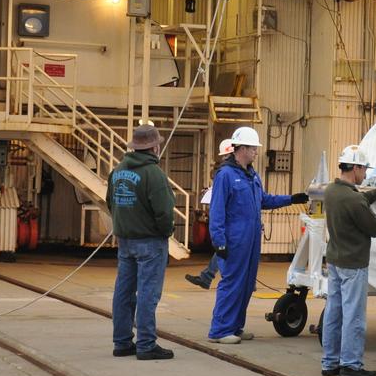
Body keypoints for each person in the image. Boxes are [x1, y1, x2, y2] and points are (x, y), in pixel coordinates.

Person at [207, 126, 308, 343]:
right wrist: (219, 242)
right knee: (232, 283)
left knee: (246, 284)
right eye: (253, 148)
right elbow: (216, 211)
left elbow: (264, 200)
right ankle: (219, 330)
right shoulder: (225, 176)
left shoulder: (252, 175)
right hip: (234, 240)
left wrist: (291, 199)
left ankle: (235, 326)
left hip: (251, 241)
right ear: (241, 148)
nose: (256, 152)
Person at [321, 144, 376, 376]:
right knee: (354, 315)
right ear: (356, 167)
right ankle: (350, 364)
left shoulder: (331, 191)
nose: (365, 174)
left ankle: (330, 361)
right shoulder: (352, 200)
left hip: (336, 260)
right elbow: (374, 228)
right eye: (364, 169)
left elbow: (361, 198)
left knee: (334, 311)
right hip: (353, 264)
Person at [107, 123, 176, 361]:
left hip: (125, 241)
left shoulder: (117, 171)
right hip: (150, 242)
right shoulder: (154, 174)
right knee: (148, 293)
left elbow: (110, 203)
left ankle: (122, 342)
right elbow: (165, 212)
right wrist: (165, 233)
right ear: (155, 147)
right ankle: (146, 344)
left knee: (124, 291)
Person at [185, 138, 234, 290]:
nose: (224, 160)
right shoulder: (233, 173)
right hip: (232, 220)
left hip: (233, 221)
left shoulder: (230, 173)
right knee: (224, 250)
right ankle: (207, 277)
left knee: (229, 250)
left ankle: (208, 277)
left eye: (225, 157)